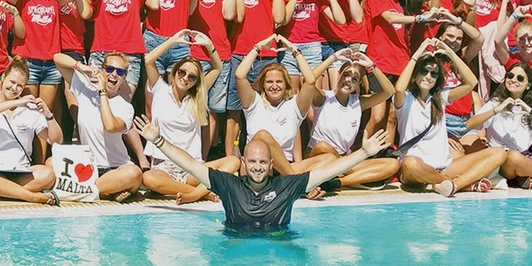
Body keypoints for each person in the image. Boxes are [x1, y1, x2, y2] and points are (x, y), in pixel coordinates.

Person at [132, 114, 387, 233]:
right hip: (234, 241)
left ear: (271, 164)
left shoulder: (287, 186)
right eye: (252, 161)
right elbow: (191, 165)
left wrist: (363, 153)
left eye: (262, 162)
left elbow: (328, 171)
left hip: (279, 241)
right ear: (243, 161)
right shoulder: (228, 184)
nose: (257, 166)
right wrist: (160, 141)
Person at [395, 40, 508, 196]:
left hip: (445, 166)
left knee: (499, 153)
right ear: (415, 75)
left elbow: (471, 82)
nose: (428, 76)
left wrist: (449, 52)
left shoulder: (439, 98)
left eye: (433, 73)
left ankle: (454, 185)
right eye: (424, 71)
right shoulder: (405, 99)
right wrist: (418, 52)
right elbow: (398, 88)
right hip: (416, 168)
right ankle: (455, 183)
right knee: (411, 163)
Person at [302, 51, 402, 188]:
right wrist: (333, 58)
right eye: (346, 74)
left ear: (358, 84)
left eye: (355, 79)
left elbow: (389, 92)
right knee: (322, 146)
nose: (349, 80)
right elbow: (308, 80)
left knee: (393, 164)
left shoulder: (357, 103)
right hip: (319, 157)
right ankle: (354, 176)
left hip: (346, 159)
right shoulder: (324, 98)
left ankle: (338, 182)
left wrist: (372, 66)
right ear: (339, 75)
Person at [0, 58, 62, 204]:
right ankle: (31, 196)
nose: (14, 88)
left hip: (20, 172)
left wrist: (48, 115)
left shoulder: (31, 111)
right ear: (3, 77)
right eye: (12, 82)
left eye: (20, 86)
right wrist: (17, 102)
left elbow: (56, 140)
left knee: (48, 175)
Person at [141, 31, 219, 202]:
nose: (185, 78)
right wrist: (172, 41)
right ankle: (201, 193)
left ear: (196, 81)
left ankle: (191, 193)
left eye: (192, 77)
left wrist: (209, 45)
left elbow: (217, 67)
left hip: (192, 167)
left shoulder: (197, 97)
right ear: (174, 72)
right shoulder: (160, 89)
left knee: (233, 162)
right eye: (182, 72)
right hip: (163, 166)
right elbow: (148, 60)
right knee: (149, 178)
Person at [58, 53, 143, 199]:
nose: (114, 74)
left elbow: (110, 126)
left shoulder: (125, 107)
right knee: (50, 163)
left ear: (124, 77)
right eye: (109, 69)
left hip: (116, 168)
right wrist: (82, 68)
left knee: (134, 174)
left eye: (120, 71)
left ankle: (81, 190)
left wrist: (102, 92)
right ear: (102, 70)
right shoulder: (85, 91)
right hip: (88, 166)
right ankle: (107, 190)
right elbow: (57, 58)